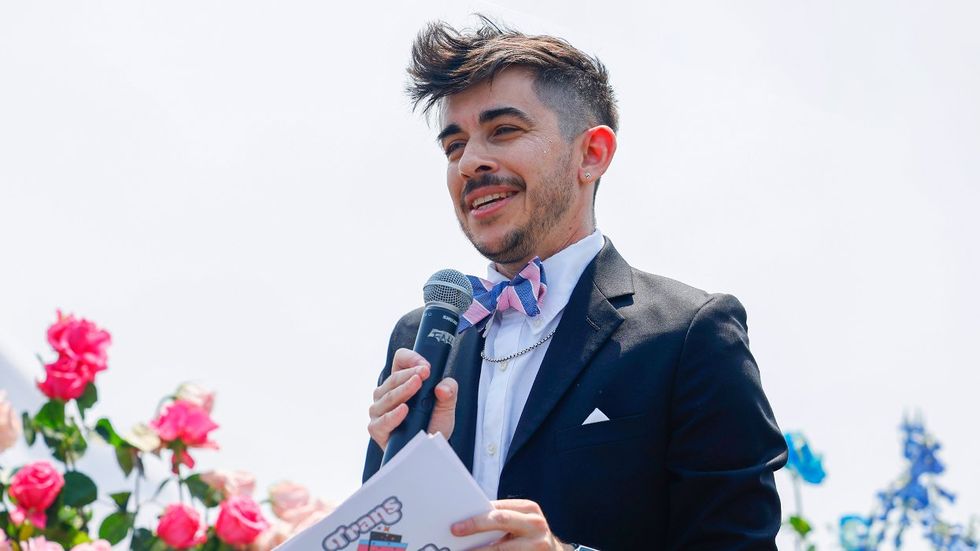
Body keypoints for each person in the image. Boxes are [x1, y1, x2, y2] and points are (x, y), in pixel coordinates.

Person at [363, 16, 787, 550]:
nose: (470, 162)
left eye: (503, 131)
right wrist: (411, 483)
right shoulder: (421, 337)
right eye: (453, 146)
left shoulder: (689, 334)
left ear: (592, 154)